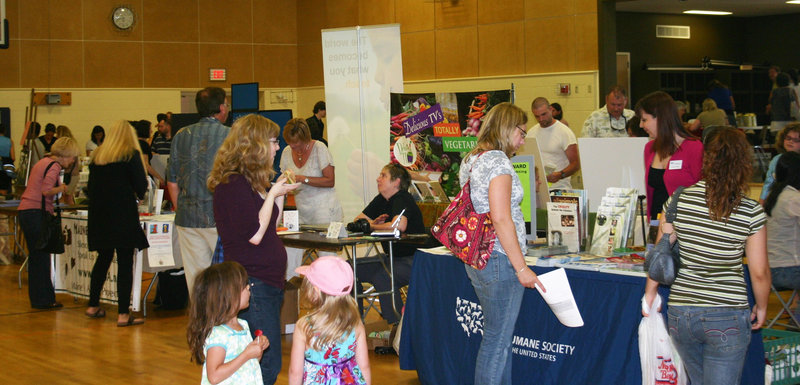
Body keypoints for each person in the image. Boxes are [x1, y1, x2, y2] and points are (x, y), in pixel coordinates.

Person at [643, 128, 770, 385]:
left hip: (682, 313)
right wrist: (762, 305)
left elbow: (661, 254)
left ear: (707, 160)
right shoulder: (750, 210)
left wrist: (650, 293)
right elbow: (759, 271)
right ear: (743, 163)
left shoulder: (678, 200)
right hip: (727, 313)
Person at [209, 113, 299, 384]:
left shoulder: (250, 183)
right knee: (266, 363)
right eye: (273, 141)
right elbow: (255, 236)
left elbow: (271, 223)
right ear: (256, 145)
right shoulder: (233, 184)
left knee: (264, 360)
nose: (277, 147)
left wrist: (277, 192)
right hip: (253, 283)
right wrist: (272, 194)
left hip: (265, 283)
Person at [459, 102, 545, 384]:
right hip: (498, 258)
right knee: (497, 342)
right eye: (521, 132)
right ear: (507, 128)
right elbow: (501, 218)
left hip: (479, 256)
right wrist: (522, 268)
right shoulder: (497, 161)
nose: (523, 139)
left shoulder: (472, 158)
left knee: (500, 340)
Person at [84, 120, 150, 326]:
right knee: (124, 262)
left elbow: (90, 188)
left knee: (103, 259)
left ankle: (93, 304)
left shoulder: (98, 157)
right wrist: (137, 194)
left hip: (100, 214)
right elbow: (141, 185)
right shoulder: (130, 155)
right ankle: (123, 314)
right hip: (122, 213)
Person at [167, 87, 231, 295]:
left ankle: (201, 324)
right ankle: (222, 323)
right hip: (220, 219)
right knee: (225, 277)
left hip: (187, 218)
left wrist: (181, 207)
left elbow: (172, 181)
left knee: (196, 279)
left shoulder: (180, 135)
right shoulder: (230, 135)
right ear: (221, 108)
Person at [353, 163, 424, 325]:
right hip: (390, 258)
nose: (378, 179)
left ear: (396, 182)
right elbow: (358, 221)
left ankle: (398, 327)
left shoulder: (402, 198)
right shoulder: (381, 199)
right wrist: (372, 222)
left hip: (413, 260)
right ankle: (353, 323)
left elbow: (399, 226)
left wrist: (371, 226)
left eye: (383, 175)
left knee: (384, 276)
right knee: (349, 268)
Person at [18, 137, 80, 309]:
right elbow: (46, 190)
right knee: (41, 257)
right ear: (65, 154)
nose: (73, 160)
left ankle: (40, 298)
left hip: (27, 211)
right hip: (36, 212)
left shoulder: (43, 162)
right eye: (72, 157)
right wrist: (62, 188)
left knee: (37, 257)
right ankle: (43, 299)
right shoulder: (54, 166)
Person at [288, 256, 370, 385]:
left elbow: (295, 371)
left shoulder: (304, 325)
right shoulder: (355, 324)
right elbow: (364, 366)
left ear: (315, 291)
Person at [187, 261, 270, 385]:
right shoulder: (218, 334)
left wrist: (257, 350)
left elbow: (249, 365)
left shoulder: (243, 326)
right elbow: (214, 377)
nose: (248, 287)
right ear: (228, 295)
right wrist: (246, 354)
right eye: (243, 286)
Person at [637, 91, 703, 221]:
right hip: (657, 224)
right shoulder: (649, 148)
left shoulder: (694, 147)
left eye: (644, 120)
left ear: (661, 118)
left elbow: (703, 191)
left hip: (685, 226)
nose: (641, 125)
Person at [279, 118, 342, 225]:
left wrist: (303, 179)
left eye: (296, 143)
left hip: (324, 210)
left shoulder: (319, 148)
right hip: (302, 210)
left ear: (305, 138)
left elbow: (330, 181)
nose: (293, 146)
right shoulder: (286, 152)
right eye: (290, 143)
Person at [763, 152, 800, 310]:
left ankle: (795, 322)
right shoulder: (793, 198)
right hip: (788, 270)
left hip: (771, 269)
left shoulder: (774, 196)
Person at [528, 97, 579, 190]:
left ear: (551, 110)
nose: (541, 119)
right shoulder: (531, 133)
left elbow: (576, 164)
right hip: (539, 188)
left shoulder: (564, 132)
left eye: (544, 114)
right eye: (537, 116)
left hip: (559, 188)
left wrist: (560, 175)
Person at [760, 123, 800, 205]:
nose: (790, 142)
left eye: (796, 140)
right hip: (778, 200)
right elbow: (768, 182)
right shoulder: (777, 159)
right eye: (788, 138)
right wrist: (762, 201)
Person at [134, 119, 164, 187]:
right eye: (150, 128)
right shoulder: (143, 144)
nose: (151, 131)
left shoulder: (135, 143)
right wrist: (159, 178)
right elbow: (146, 165)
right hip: (144, 176)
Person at [768, 72, 799, 137]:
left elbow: (770, 106)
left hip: (775, 124)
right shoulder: (791, 91)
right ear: (788, 81)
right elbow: (794, 107)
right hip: (789, 124)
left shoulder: (774, 92)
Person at [150, 113, 172, 188]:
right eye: (159, 126)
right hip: (160, 171)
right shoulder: (157, 139)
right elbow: (152, 151)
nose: (159, 128)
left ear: (168, 126)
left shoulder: (175, 139)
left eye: (161, 126)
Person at [0, 124, 16, 196]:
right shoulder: (10, 141)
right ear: (4, 131)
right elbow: (13, 158)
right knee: (3, 192)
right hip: (5, 169)